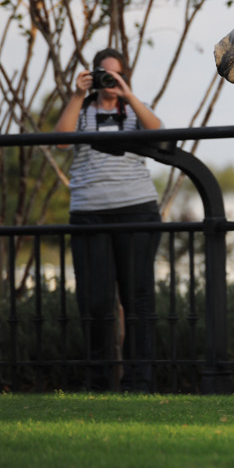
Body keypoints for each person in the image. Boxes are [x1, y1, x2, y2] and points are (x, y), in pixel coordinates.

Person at [54, 48, 163, 392]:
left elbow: (157, 132)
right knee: (95, 302)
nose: (109, 81)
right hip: (89, 212)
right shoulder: (82, 110)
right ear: (93, 74)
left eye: (116, 75)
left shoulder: (133, 108)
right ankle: (99, 381)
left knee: (137, 299)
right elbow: (60, 141)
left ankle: (139, 381)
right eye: (104, 73)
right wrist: (77, 95)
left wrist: (128, 95)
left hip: (137, 209)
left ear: (124, 76)